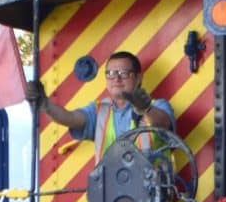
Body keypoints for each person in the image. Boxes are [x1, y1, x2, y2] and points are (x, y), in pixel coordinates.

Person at [25, 51, 176, 162]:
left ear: (138, 78)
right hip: (109, 198)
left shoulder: (157, 106)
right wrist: (46, 106)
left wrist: (146, 109)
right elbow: (69, 118)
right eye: (110, 73)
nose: (116, 78)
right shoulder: (99, 110)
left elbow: (162, 123)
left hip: (152, 199)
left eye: (123, 73)